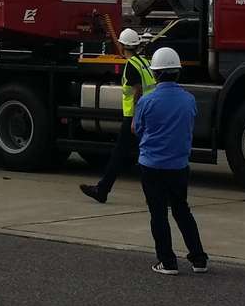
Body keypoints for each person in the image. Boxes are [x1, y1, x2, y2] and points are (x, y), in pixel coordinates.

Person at [133, 46, 208, 275]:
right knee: (182, 210)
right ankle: (198, 259)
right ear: (177, 72)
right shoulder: (189, 100)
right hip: (178, 165)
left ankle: (167, 261)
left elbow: (137, 129)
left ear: (155, 74)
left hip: (152, 165)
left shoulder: (147, 101)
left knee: (158, 213)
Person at [80, 28, 155, 204]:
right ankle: (103, 189)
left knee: (125, 155)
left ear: (122, 47)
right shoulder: (144, 62)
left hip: (134, 118)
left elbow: (138, 92)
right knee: (142, 155)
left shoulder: (131, 66)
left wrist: (135, 119)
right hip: (148, 115)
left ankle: (102, 190)